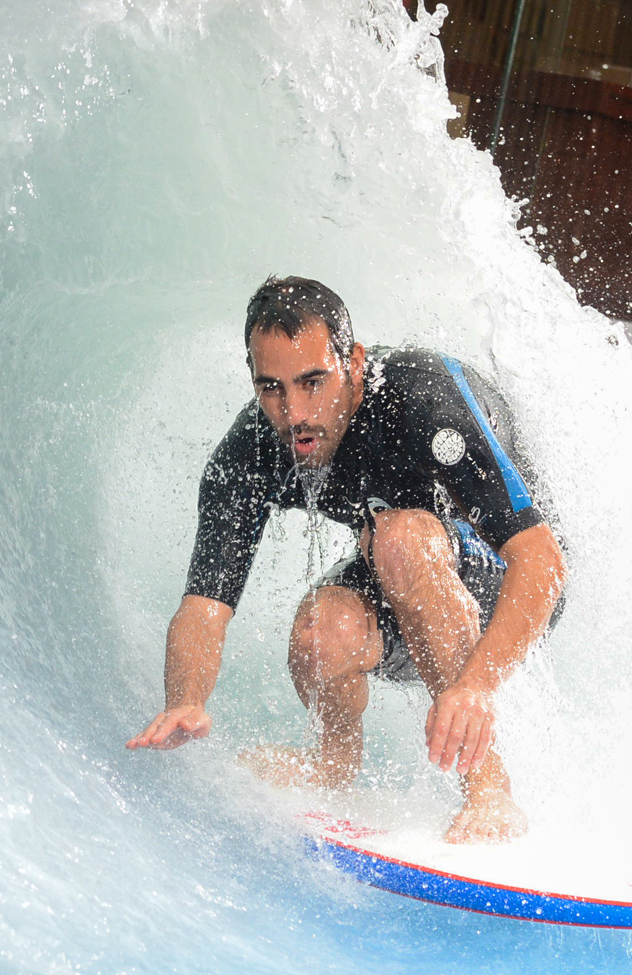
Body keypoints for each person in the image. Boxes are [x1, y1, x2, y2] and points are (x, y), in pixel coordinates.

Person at [125, 276, 567, 843]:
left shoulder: (423, 398)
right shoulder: (254, 451)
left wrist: (476, 685)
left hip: (514, 587)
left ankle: (490, 792)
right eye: (272, 388)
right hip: (406, 573)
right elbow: (203, 609)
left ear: (353, 362)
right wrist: (185, 700)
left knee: (399, 538)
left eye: (313, 382)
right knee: (321, 629)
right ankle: (333, 764)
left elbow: (542, 561)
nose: (294, 414)